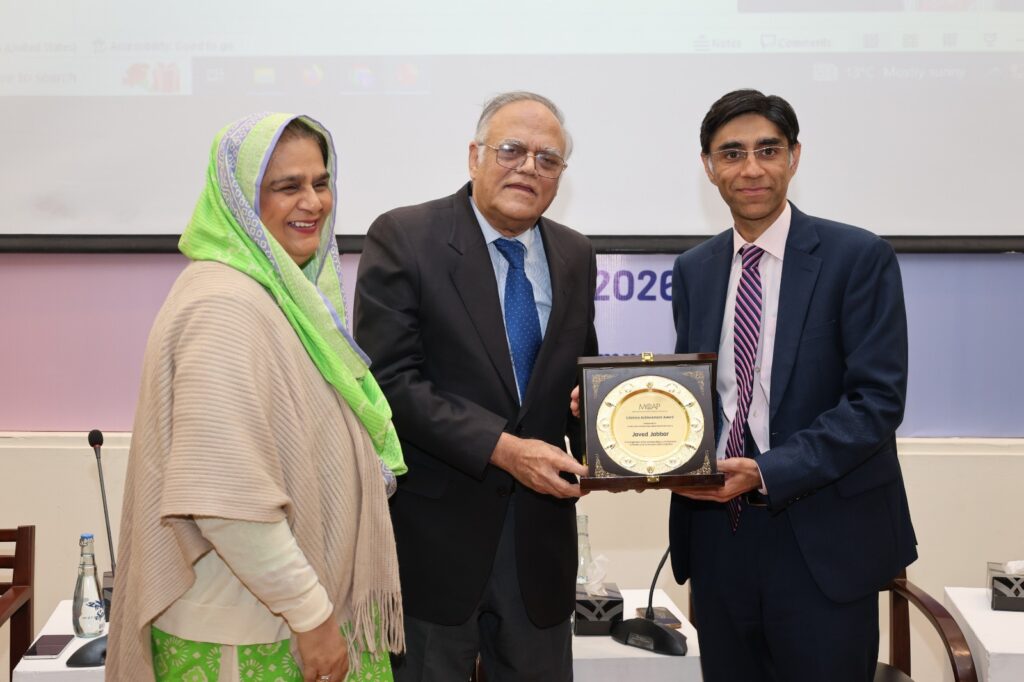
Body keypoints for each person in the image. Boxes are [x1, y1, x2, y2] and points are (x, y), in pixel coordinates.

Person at [107, 113, 406, 682]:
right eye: (287, 186)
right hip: (251, 639)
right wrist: (313, 618)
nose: (313, 202)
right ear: (240, 200)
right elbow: (226, 501)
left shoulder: (276, 297)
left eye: (321, 183)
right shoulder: (226, 307)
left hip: (274, 626)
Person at [668, 90, 917, 681]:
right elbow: (699, 395)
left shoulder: (857, 256)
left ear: (794, 157)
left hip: (824, 540)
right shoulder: (694, 269)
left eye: (767, 150)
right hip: (718, 538)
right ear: (708, 167)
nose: (750, 168)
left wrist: (768, 470)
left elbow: (876, 402)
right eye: (731, 153)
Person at [353, 91, 596, 681]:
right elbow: (389, 383)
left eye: (548, 159)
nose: (528, 168)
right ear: (474, 155)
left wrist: (595, 420)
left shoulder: (574, 253)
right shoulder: (405, 236)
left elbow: (578, 379)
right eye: (512, 149)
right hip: (435, 549)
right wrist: (505, 451)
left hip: (539, 552)